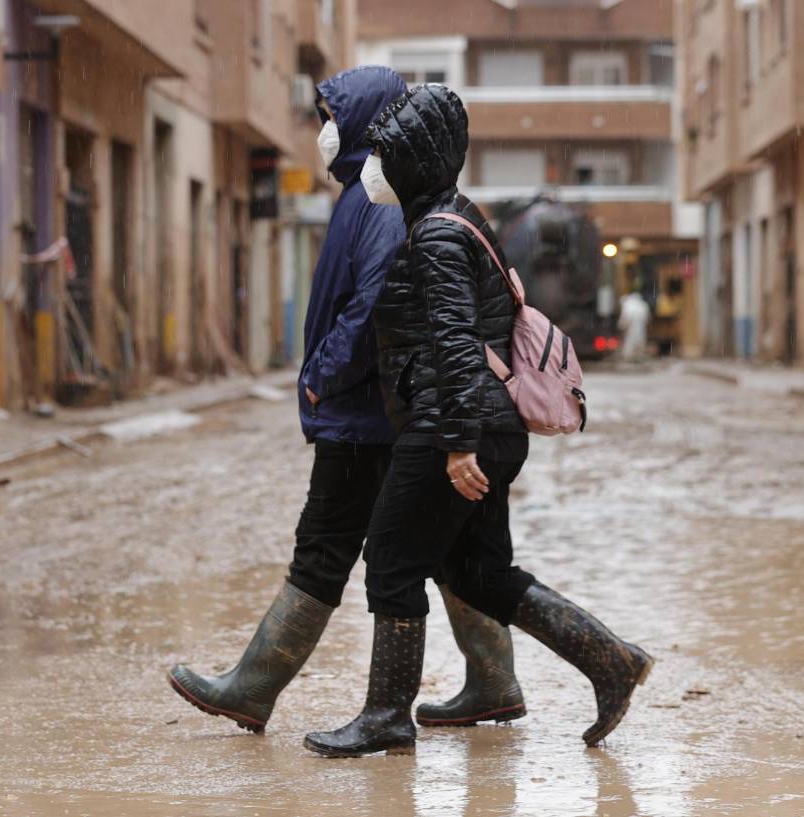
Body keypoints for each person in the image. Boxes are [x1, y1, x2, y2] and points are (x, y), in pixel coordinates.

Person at [168, 67, 526, 734]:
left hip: (367, 412)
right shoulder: (369, 192)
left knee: (327, 545)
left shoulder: (380, 198)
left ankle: (257, 685)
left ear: (364, 119)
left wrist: (324, 373)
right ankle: (494, 678)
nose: (323, 130)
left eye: (331, 114)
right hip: (378, 407)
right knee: (444, 551)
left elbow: (373, 304)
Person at [303, 84, 653, 758]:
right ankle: (610, 660)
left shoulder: (435, 234)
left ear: (412, 158)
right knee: (478, 571)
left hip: (453, 426)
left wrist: (457, 442)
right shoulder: (456, 219)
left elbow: (456, 341)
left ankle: (385, 715)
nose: (373, 165)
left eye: (384, 154)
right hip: (485, 426)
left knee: (392, 557)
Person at [619, 291, 651, 361]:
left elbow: (625, 318)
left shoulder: (628, 305)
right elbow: (647, 318)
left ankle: (629, 357)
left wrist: (622, 326)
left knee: (630, 342)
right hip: (641, 327)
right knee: (640, 341)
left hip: (631, 328)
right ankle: (638, 356)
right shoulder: (643, 305)